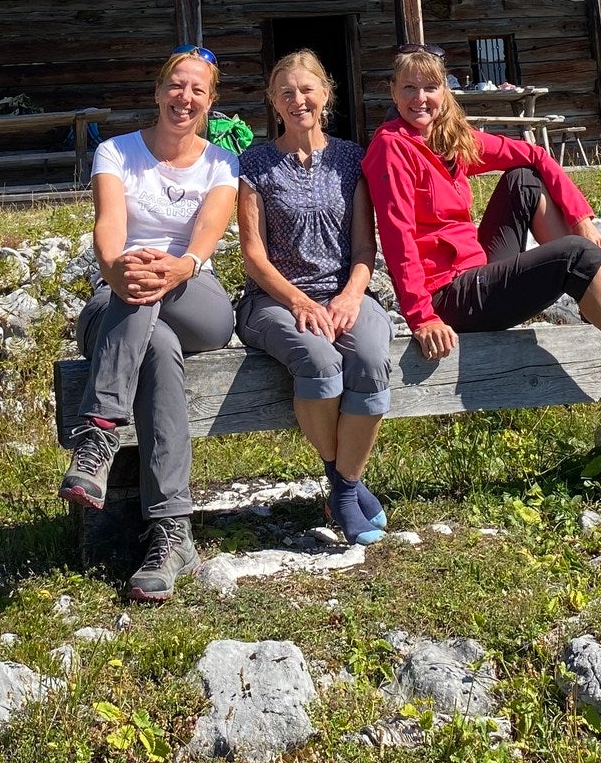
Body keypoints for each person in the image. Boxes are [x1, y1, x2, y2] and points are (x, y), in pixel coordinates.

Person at [361, 44, 601, 405]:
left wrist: (580, 218)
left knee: (523, 180)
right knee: (575, 255)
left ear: (445, 91)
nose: (420, 98)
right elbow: (397, 238)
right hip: (448, 297)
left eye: (430, 87)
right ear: (393, 92)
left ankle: (597, 288)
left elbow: (534, 155)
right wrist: (422, 318)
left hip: (474, 274)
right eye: (409, 88)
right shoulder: (392, 147)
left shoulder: (448, 139)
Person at [61, 46, 238, 603]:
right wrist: (116, 268)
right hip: (121, 292)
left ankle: (98, 433)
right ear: (159, 92)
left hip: (195, 295)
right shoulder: (117, 152)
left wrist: (179, 266)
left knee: (149, 288)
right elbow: (109, 226)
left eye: (198, 90)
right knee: (155, 340)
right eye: (176, 85)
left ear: (211, 102)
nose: (185, 97)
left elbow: (207, 235)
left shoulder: (222, 163)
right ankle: (172, 532)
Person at [236, 50, 393, 546]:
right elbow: (254, 256)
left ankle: (343, 487)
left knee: (370, 358)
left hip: (344, 292)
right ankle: (344, 485)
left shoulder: (351, 158)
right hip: (273, 299)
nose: (298, 100)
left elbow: (364, 248)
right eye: (286, 92)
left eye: (307, 89)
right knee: (321, 361)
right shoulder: (254, 163)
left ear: (326, 94)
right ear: (273, 102)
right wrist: (300, 303)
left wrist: (350, 296)